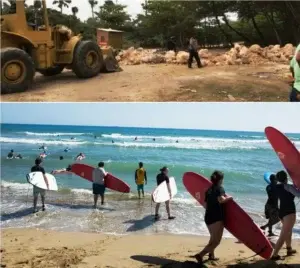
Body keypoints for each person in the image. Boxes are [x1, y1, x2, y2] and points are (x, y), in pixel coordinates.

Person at [193, 171, 232, 265]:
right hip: (216, 218)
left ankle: (211, 255)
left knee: (213, 238)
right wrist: (230, 198)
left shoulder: (208, 190)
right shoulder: (220, 188)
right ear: (220, 180)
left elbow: (205, 205)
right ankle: (200, 255)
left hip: (208, 217)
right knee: (216, 241)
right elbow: (221, 200)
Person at [271, 170, 300, 260]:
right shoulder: (289, 187)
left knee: (288, 231)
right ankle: (274, 255)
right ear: (286, 178)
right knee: (283, 234)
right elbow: (298, 194)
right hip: (289, 213)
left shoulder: (276, 187)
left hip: (282, 212)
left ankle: (289, 248)